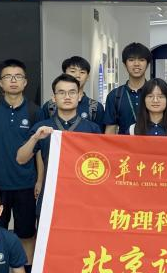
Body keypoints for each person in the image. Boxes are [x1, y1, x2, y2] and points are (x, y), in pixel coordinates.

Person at [0, 59, 43, 273]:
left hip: (26, 184)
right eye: (8, 77)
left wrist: (39, 180)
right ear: (0, 83)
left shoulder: (35, 111)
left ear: (25, 82)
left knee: (26, 234)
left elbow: (39, 150)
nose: (13, 81)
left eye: (18, 76)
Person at [16, 74, 102, 209]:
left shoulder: (92, 129)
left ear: (79, 96)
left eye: (72, 92)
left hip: (84, 198)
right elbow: (21, 159)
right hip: (50, 197)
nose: (67, 97)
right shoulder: (42, 128)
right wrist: (35, 138)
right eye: (61, 92)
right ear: (54, 98)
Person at [41, 55, 105, 127]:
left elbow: (99, 133)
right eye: (73, 71)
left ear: (88, 77)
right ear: (64, 74)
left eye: (82, 72)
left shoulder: (95, 107)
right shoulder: (50, 106)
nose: (77, 75)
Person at [104, 42, 151, 134]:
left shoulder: (156, 93)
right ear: (124, 64)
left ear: (147, 64)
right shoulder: (115, 95)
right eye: (131, 60)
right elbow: (110, 130)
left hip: (152, 143)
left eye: (141, 60)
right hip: (123, 143)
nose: (136, 64)